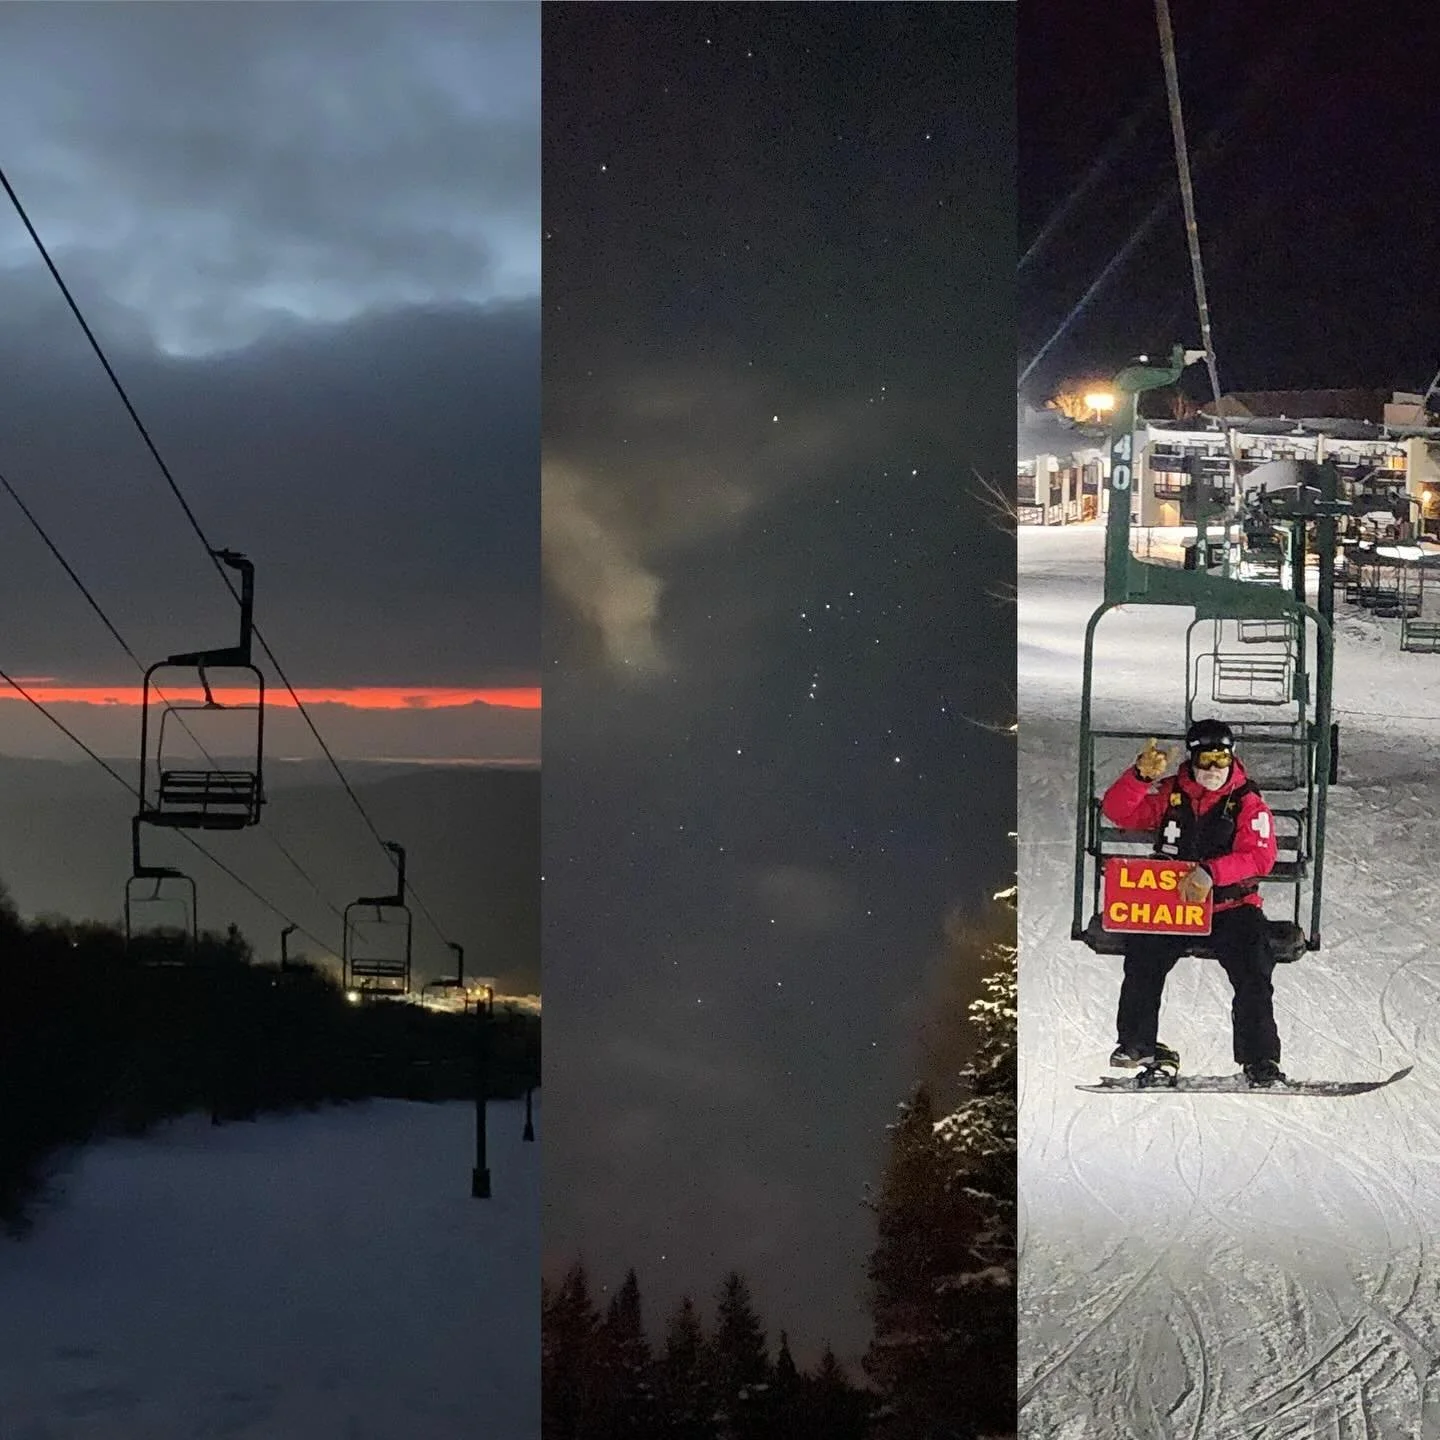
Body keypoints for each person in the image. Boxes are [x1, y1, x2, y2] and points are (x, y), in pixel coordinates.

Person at [1100, 717, 1285, 1087]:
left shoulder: (1247, 802)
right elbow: (1119, 812)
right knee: (1143, 958)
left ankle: (1260, 1058)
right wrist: (1139, 778)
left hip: (1230, 906)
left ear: (1232, 757)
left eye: (1221, 759)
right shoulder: (1172, 795)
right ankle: (1139, 1043)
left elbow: (1260, 857)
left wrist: (1212, 873)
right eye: (1205, 760)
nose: (1213, 768)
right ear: (1193, 759)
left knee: (1253, 968)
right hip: (1175, 909)